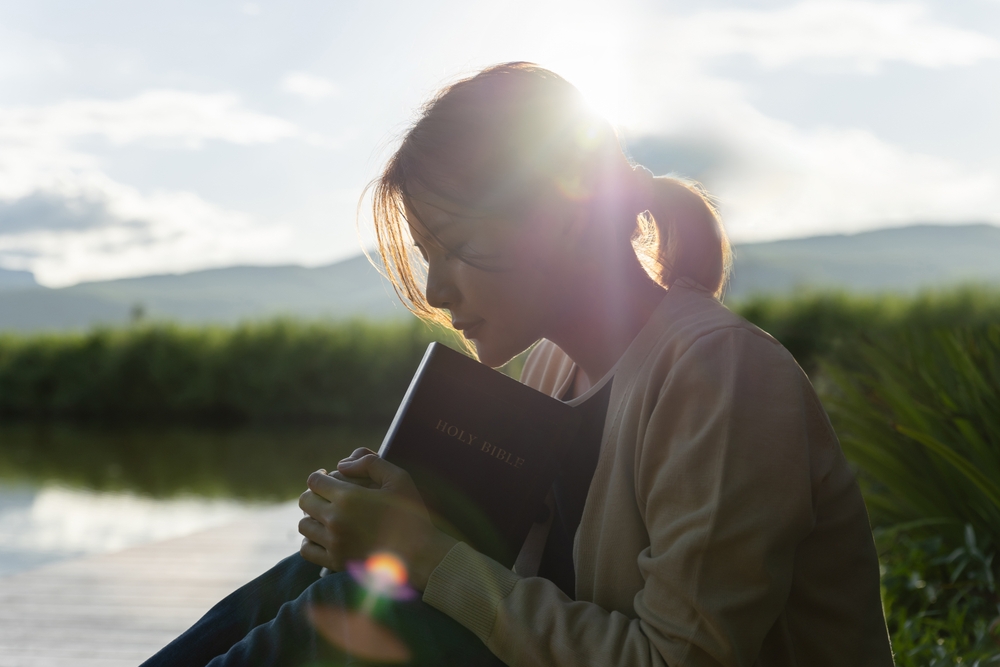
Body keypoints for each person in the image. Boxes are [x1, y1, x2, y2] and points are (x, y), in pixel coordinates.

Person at [143, 62, 894, 666]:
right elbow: (517, 588)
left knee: (378, 602)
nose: (436, 291)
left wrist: (422, 553)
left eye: (461, 248)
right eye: (427, 257)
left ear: (565, 222)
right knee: (336, 570)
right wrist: (397, 517)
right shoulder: (548, 371)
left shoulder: (720, 375)